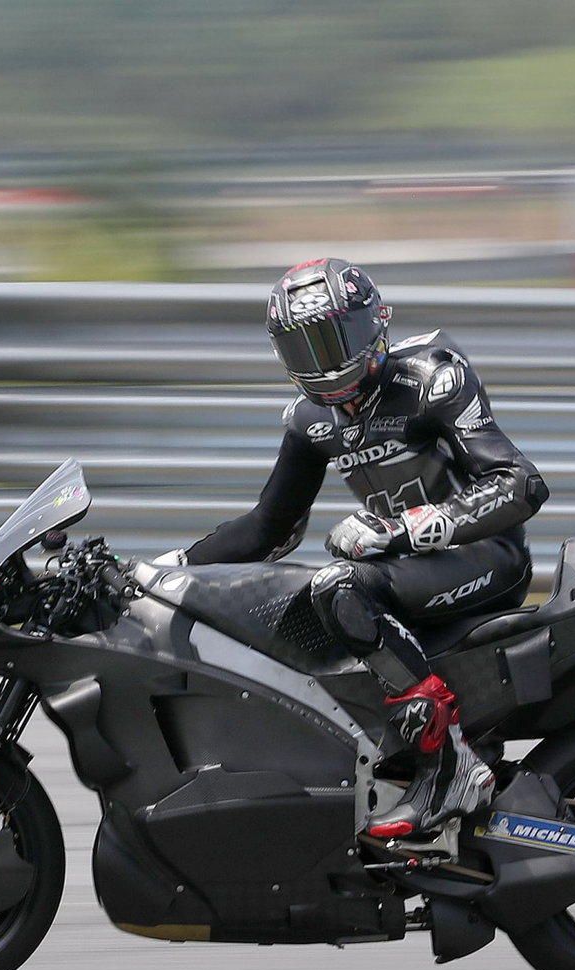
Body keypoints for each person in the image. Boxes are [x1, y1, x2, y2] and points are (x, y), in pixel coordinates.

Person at [179, 258, 549, 839]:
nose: (322, 362)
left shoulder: (431, 378)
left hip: (487, 558)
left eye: (330, 340)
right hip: (412, 571)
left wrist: (400, 531)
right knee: (295, 607)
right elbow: (268, 528)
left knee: (339, 587)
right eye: (303, 348)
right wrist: (170, 569)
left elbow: (520, 484)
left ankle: (448, 765)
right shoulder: (311, 421)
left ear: (371, 325)